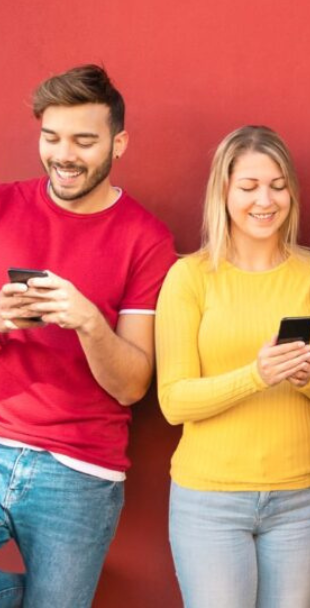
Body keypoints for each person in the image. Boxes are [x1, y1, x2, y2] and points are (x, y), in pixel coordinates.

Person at [0, 65, 176, 607]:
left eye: (84, 140)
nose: (64, 155)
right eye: (51, 138)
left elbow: (131, 386)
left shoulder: (146, 238)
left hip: (79, 470)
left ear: (118, 143)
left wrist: (88, 322)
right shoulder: (4, 204)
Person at [156, 126, 310, 607]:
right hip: (210, 501)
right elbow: (174, 401)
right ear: (224, 190)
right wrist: (255, 376)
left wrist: (309, 378)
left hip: (304, 499)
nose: (266, 199)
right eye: (250, 186)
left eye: (278, 185)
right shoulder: (189, 277)